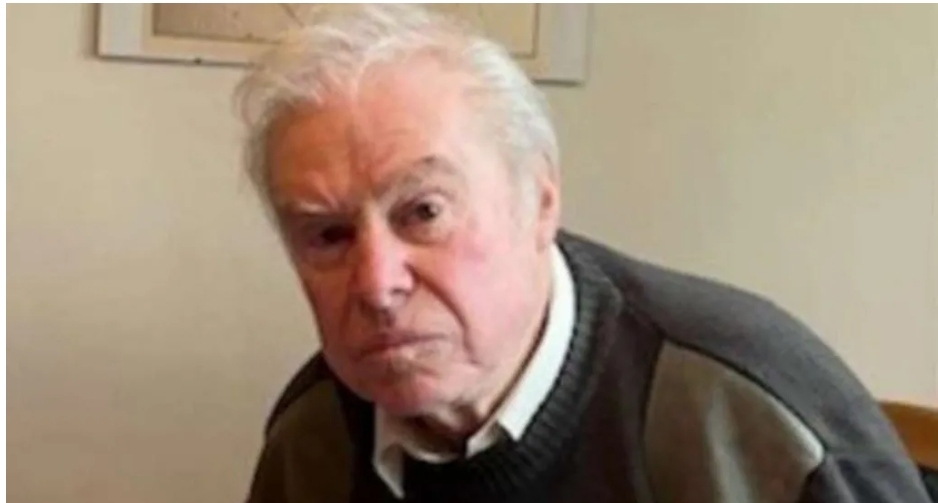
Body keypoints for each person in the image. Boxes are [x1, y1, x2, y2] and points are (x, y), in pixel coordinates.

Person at [235, 5, 930, 503]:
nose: (377, 283)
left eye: (424, 213)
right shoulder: (312, 441)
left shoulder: (750, 415)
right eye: (328, 234)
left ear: (540, 202)